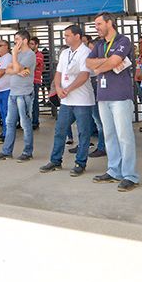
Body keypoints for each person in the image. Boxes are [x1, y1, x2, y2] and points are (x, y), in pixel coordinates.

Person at [85, 12, 140, 192]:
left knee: (125, 137)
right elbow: (87, 63)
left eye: (99, 24)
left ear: (110, 23)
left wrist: (101, 65)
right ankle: (114, 170)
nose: (96, 27)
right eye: (95, 25)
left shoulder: (123, 41)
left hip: (120, 96)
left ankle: (130, 175)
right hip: (103, 96)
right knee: (109, 135)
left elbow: (115, 62)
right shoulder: (99, 44)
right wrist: (106, 62)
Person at [40, 24, 94, 176]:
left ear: (77, 36)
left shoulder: (86, 52)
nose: (65, 38)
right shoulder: (64, 53)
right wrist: (57, 88)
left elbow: (84, 75)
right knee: (60, 130)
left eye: (68, 35)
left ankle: (80, 163)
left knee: (84, 133)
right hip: (66, 101)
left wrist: (68, 89)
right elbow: (58, 72)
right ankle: (55, 160)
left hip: (82, 100)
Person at [0, 30, 37, 162]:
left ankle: (27, 152)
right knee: (10, 122)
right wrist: (17, 70)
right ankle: (7, 151)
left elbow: (14, 68)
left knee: (25, 123)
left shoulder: (30, 55)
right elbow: (8, 69)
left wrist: (14, 61)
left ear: (24, 40)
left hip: (24, 94)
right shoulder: (17, 54)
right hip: (13, 93)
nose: (15, 42)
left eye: (17, 39)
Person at [29, 37, 44, 130]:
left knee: (34, 102)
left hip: (35, 81)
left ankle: (35, 122)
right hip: (27, 81)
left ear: (36, 45)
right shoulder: (28, 55)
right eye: (29, 43)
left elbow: (32, 66)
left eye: (32, 44)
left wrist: (22, 70)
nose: (30, 45)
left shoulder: (39, 55)